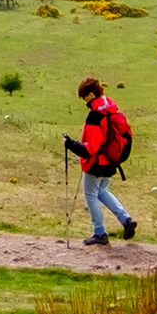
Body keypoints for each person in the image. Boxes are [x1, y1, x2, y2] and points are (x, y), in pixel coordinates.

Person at [62, 75, 136, 246]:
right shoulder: (111, 109)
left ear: (90, 95)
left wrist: (71, 144)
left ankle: (100, 232)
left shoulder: (95, 116)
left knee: (91, 195)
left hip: (96, 164)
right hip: (111, 161)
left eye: (84, 97)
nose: (84, 100)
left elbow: (91, 149)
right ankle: (126, 220)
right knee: (102, 192)